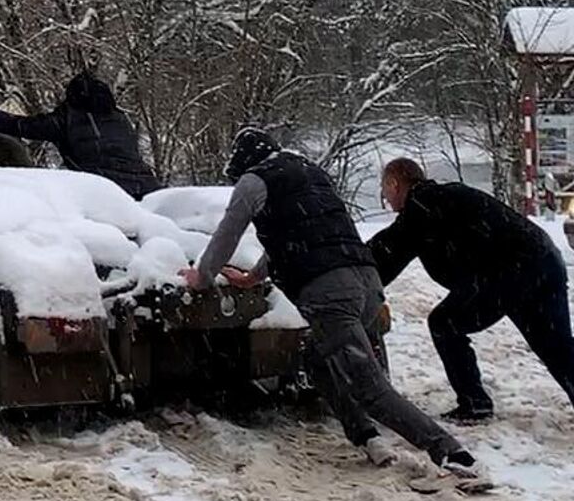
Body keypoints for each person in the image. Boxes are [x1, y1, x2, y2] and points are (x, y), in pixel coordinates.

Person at [182, 128, 478, 476]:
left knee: (370, 389)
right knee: (317, 359)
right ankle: (367, 438)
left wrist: (202, 276)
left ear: (244, 162)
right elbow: (302, 232)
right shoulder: (311, 173)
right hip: (367, 281)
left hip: (328, 292)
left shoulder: (253, 180)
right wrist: (254, 277)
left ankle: (451, 453)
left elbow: (228, 233)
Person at [370, 157, 574, 428]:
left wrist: (355, 278)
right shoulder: (441, 199)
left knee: (444, 323)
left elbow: (387, 252)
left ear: (393, 184)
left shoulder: (421, 205)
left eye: (385, 192)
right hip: (542, 259)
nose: (387, 201)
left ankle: (475, 404)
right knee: (556, 344)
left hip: (509, 270)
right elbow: (393, 245)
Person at [0, 70, 163, 198]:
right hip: (146, 187)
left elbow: (20, 126)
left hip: (102, 192)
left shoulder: (68, 120)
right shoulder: (120, 119)